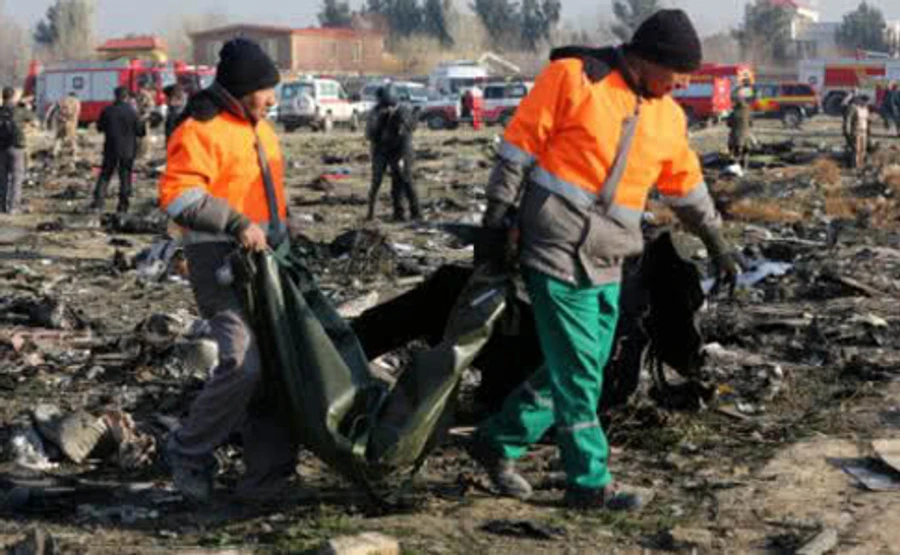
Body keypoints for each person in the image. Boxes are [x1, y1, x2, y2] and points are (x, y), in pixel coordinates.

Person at [466, 9, 741, 511]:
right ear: (647, 59)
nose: (682, 84)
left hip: (609, 254)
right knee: (577, 372)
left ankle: (497, 440)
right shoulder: (574, 77)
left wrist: (718, 245)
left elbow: (688, 189)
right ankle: (588, 481)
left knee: (585, 364)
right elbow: (518, 148)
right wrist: (496, 216)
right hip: (553, 244)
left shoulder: (668, 117)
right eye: (678, 74)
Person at [158, 38, 295, 504]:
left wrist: (284, 234)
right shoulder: (200, 127)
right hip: (219, 263)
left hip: (267, 262)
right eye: (265, 90)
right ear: (240, 89)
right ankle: (187, 451)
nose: (272, 99)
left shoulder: (259, 127)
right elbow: (179, 197)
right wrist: (237, 223)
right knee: (242, 364)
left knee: (276, 366)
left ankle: (266, 477)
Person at [365, 85, 420, 222]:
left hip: (401, 151)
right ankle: (398, 214)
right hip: (384, 150)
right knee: (394, 185)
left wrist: (401, 157)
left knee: (406, 181)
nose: (384, 108)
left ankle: (416, 213)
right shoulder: (378, 112)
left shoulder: (402, 112)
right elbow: (371, 133)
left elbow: (404, 136)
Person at [91, 86, 143, 213]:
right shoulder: (132, 112)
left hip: (110, 148)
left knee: (105, 174)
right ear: (126, 97)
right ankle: (123, 205)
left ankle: (98, 201)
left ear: (115, 96)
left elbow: (99, 128)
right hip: (128, 150)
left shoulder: (107, 110)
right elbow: (141, 132)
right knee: (125, 176)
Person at [0, 87, 32, 213]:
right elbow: (33, 119)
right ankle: (13, 207)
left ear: (2, 97)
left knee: (2, 178)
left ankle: (1, 206)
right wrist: (26, 106)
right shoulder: (20, 110)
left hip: (1, 148)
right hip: (17, 148)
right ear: (13, 97)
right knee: (16, 178)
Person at [52, 92, 81, 168]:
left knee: (59, 138)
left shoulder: (63, 101)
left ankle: (55, 152)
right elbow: (76, 114)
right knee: (72, 139)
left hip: (62, 123)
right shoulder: (76, 102)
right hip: (71, 123)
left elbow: (58, 112)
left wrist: (62, 119)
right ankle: (74, 155)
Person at [844, 95, 870, 169]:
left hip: (864, 132)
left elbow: (867, 121)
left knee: (863, 149)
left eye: (866, 102)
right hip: (856, 132)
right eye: (864, 101)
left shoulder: (865, 109)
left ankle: (861, 165)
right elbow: (848, 120)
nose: (865, 103)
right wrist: (847, 131)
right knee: (857, 149)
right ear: (860, 100)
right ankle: (855, 166)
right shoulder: (853, 108)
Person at [727, 95, 752, 168]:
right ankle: (744, 163)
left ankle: (733, 162)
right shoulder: (748, 112)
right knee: (745, 150)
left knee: (731, 148)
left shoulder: (733, 113)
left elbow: (728, 124)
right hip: (746, 135)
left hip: (734, 135)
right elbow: (751, 124)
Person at [135, 85, 156, 162]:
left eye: (141, 89)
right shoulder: (139, 96)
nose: (140, 90)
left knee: (145, 138)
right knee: (138, 138)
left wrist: (144, 115)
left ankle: (146, 154)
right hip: (139, 119)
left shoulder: (147, 96)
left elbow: (150, 108)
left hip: (145, 119)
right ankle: (139, 153)